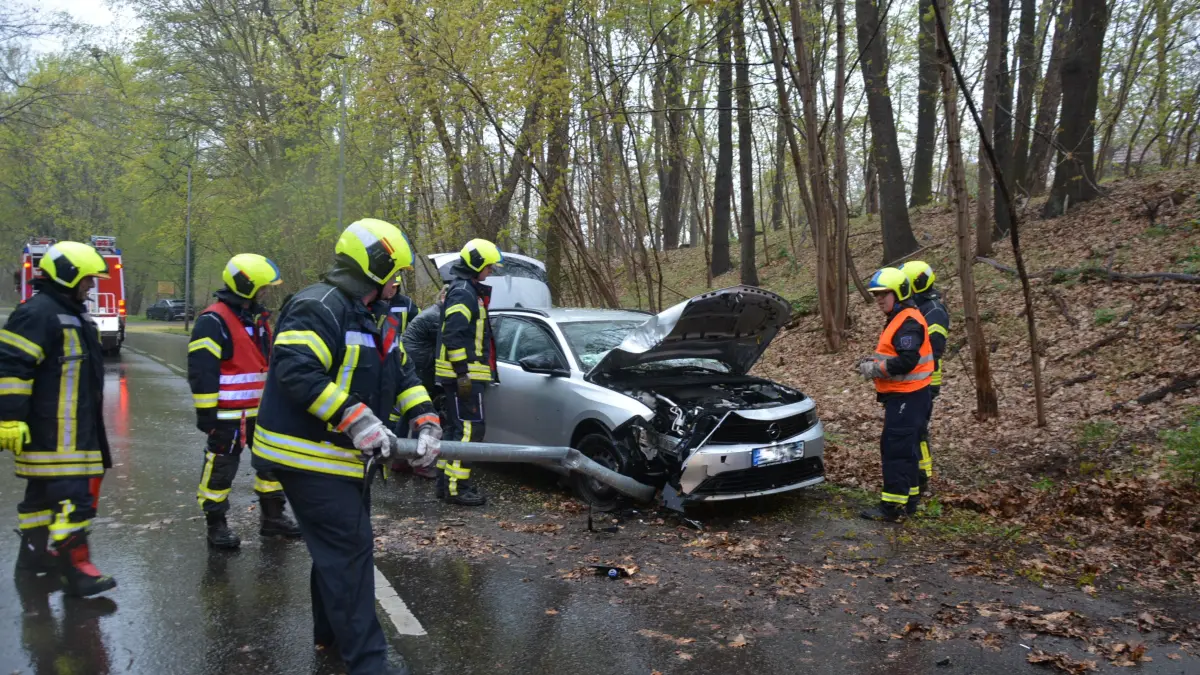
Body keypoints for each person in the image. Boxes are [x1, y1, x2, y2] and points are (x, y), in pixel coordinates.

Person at [251, 218, 441, 675]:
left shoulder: (372, 317)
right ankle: (369, 663)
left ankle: (330, 637)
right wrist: (358, 422)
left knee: (335, 552)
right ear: (373, 270)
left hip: (341, 459)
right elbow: (296, 369)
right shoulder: (318, 306)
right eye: (393, 274)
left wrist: (427, 420)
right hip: (306, 455)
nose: (397, 283)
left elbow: (404, 374)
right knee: (351, 553)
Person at [0, 241, 116, 596]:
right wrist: (9, 418)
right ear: (69, 276)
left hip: (70, 433)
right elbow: (11, 368)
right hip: (54, 434)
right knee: (75, 502)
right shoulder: (37, 313)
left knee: (39, 500)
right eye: (87, 280)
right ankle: (76, 571)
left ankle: (34, 559)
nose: (91, 287)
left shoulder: (73, 313)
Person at [188, 253, 301, 549]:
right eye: (262, 286)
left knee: (271, 465)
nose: (266, 292)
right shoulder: (213, 320)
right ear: (245, 286)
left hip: (262, 411)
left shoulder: (257, 317)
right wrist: (206, 414)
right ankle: (216, 525)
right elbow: (202, 372)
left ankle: (273, 518)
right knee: (221, 469)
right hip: (228, 415)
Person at [857, 267, 934, 522]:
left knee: (896, 448)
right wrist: (873, 361)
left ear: (899, 292)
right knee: (906, 448)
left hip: (907, 396)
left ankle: (891, 507)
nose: (879, 299)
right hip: (908, 396)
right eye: (876, 295)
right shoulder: (900, 317)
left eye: (883, 294)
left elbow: (907, 360)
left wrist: (875, 368)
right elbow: (896, 354)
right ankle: (909, 500)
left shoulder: (908, 321)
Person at [433, 239, 502, 507]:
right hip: (464, 376)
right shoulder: (463, 291)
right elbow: (453, 333)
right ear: (476, 265)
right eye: (488, 267)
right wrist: (462, 372)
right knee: (469, 431)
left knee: (456, 429)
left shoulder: (464, 289)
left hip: (462, 375)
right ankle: (456, 487)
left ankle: (446, 484)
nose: (491, 271)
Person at [900, 260, 949, 498]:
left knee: (918, 430)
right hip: (916, 379)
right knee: (915, 429)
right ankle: (917, 474)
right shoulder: (920, 307)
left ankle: (922, 477)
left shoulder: (934, 311)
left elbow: (934, 349)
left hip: (927, 381)